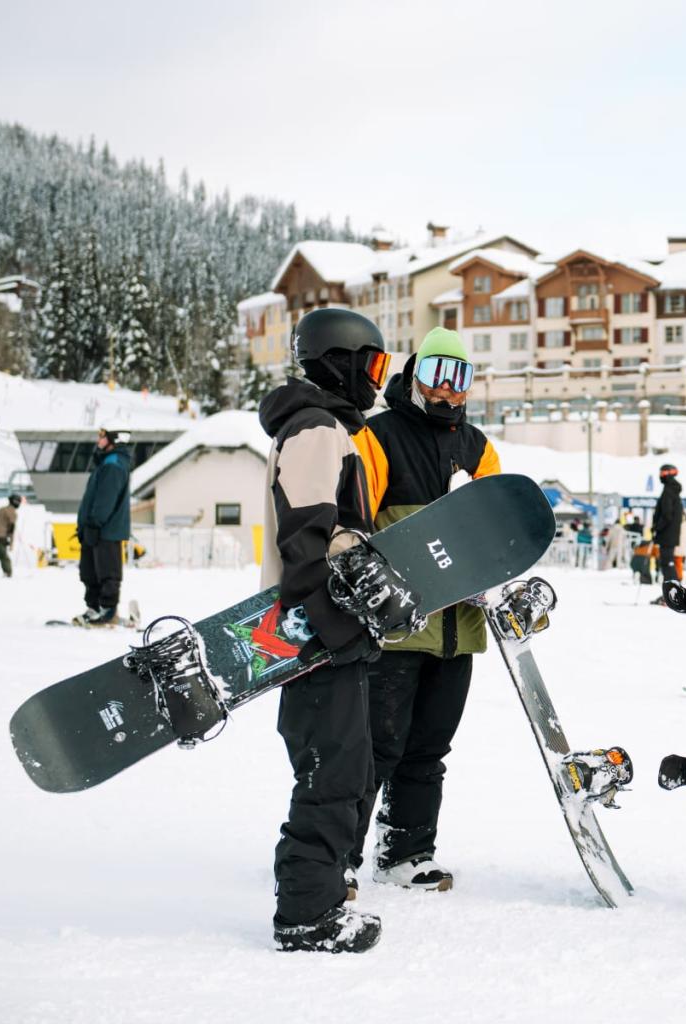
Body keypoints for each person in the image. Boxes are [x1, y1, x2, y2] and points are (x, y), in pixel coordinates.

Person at [259, 307, 394, 953]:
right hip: (315, 636)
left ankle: (326, 891)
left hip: (333, 633)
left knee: (350, 768)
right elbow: (306, 541)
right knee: (331, 776)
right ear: (339, 360)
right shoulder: (316, 430)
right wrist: (335, 626)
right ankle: (306, 917)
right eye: (372, 363)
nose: (377, 378)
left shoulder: (329, 429)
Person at [349, 326, 500, 895]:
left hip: (456, 631)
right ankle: (342, 855)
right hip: (397, 627)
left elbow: (496, 529)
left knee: (429, 748)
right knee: (377, 746)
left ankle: (407, 851)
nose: (446, 392)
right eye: (436, 376)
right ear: (414, 377)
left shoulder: (478, 446)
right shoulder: (379, 436)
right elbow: (357, 521)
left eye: (459, 379)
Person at [74, 428, 134, 624]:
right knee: (89, 571)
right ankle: (93, 608)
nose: (98, 440)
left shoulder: (114, 465)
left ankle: (107, 610)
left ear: (113, 439)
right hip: (95, 528)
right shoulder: (106, 462)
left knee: (107, 572)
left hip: (107, 530)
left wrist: (94, 522)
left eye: (102, 436)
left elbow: (105, 498)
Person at [650, 463, 684, 599]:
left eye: (662, 473)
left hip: (666, 534)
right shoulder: (673, 490)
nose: (661, 476)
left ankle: (672, 594)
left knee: (667, 563)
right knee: (668, 562)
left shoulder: (668, 491)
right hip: (671, 533)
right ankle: (672, 592)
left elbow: (667, 514)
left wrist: (656, 527)